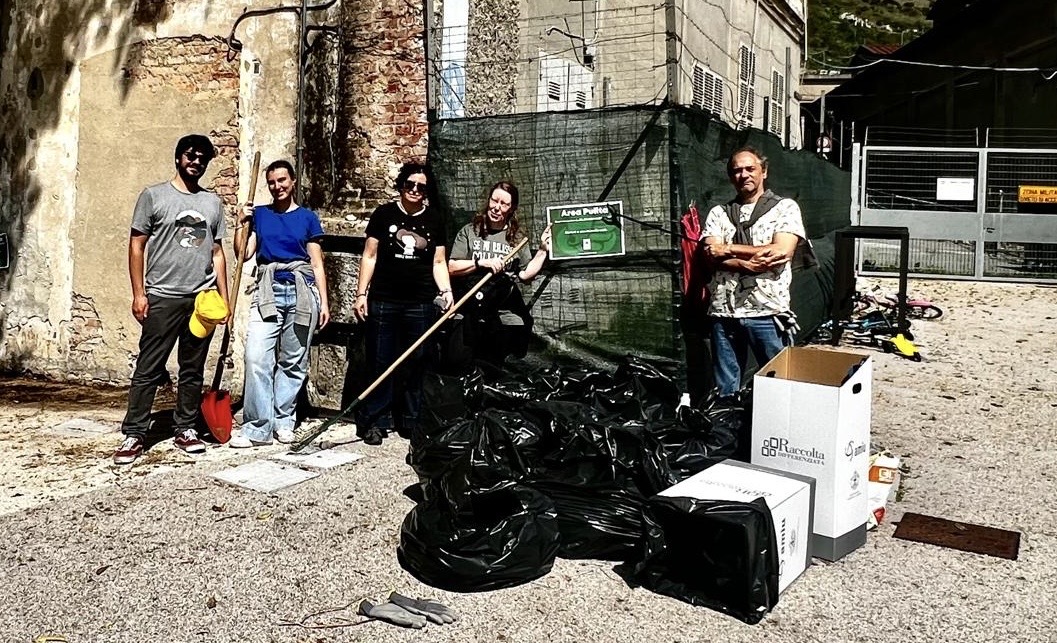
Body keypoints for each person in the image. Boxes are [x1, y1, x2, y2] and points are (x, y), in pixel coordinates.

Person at [113, 134, 229, 465]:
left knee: (192, 369)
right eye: (191, 155)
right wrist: (139, 293)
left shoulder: (212, 203)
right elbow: (136, 245)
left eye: (203, 158)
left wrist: (224, 300)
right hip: (162, 296)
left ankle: (186, 428)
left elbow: (217, 252)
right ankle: (135, 433)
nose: (196, 162)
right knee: (149, 368)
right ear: (178, 158)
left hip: (201, 300)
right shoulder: (153, 196)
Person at [229, 159, 330, 448]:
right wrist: (241, 223)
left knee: (293, 360)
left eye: (282, 180)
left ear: (293, 181)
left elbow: (317, 263)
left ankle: (284, 421)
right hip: (267, 289)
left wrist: (324, 302)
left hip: (302, 290)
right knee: (256, 357)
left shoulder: (308, 218)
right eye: (272, 182)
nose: (277, 186)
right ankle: (257, 427)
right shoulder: (260, 214)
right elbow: (244, 253)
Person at [353, 162, 453, 446]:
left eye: (421, 187)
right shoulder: (384, 214)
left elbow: (438, 261)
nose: (415, 190)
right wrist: (361, 294)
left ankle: (411, 421)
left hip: (420, 301)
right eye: (410, 184)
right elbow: (369, 255)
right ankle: (376, 420)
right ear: (401, 185)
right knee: (380, 361)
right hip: (384, 298)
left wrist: (446, 291)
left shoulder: (434, 219)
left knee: (416, 362)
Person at [703, 146, 806, 398]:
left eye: (750, 169)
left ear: (764, 171)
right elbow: (710, 254)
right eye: (737, 171)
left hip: (767, 311)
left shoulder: (784, 208)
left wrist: (728, 249)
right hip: (724, 310)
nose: (744, 175)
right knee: (725, 387)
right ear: (731, 177)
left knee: (778, 383)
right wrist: (746, 264)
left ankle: (773, 423)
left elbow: (781, 251)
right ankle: (728, 422)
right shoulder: (719, 213)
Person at [446, 180, 551, 366]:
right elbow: (452, 267)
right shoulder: (470, 231)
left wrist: (542, 251)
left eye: (504, 204)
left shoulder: (516, 237)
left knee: (496, 367)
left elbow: (526, 276)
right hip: (468, 309)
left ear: (512, 209)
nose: (497, 207)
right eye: (494, 201)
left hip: (500, 313)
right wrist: (480, 263)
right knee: (458, 363)